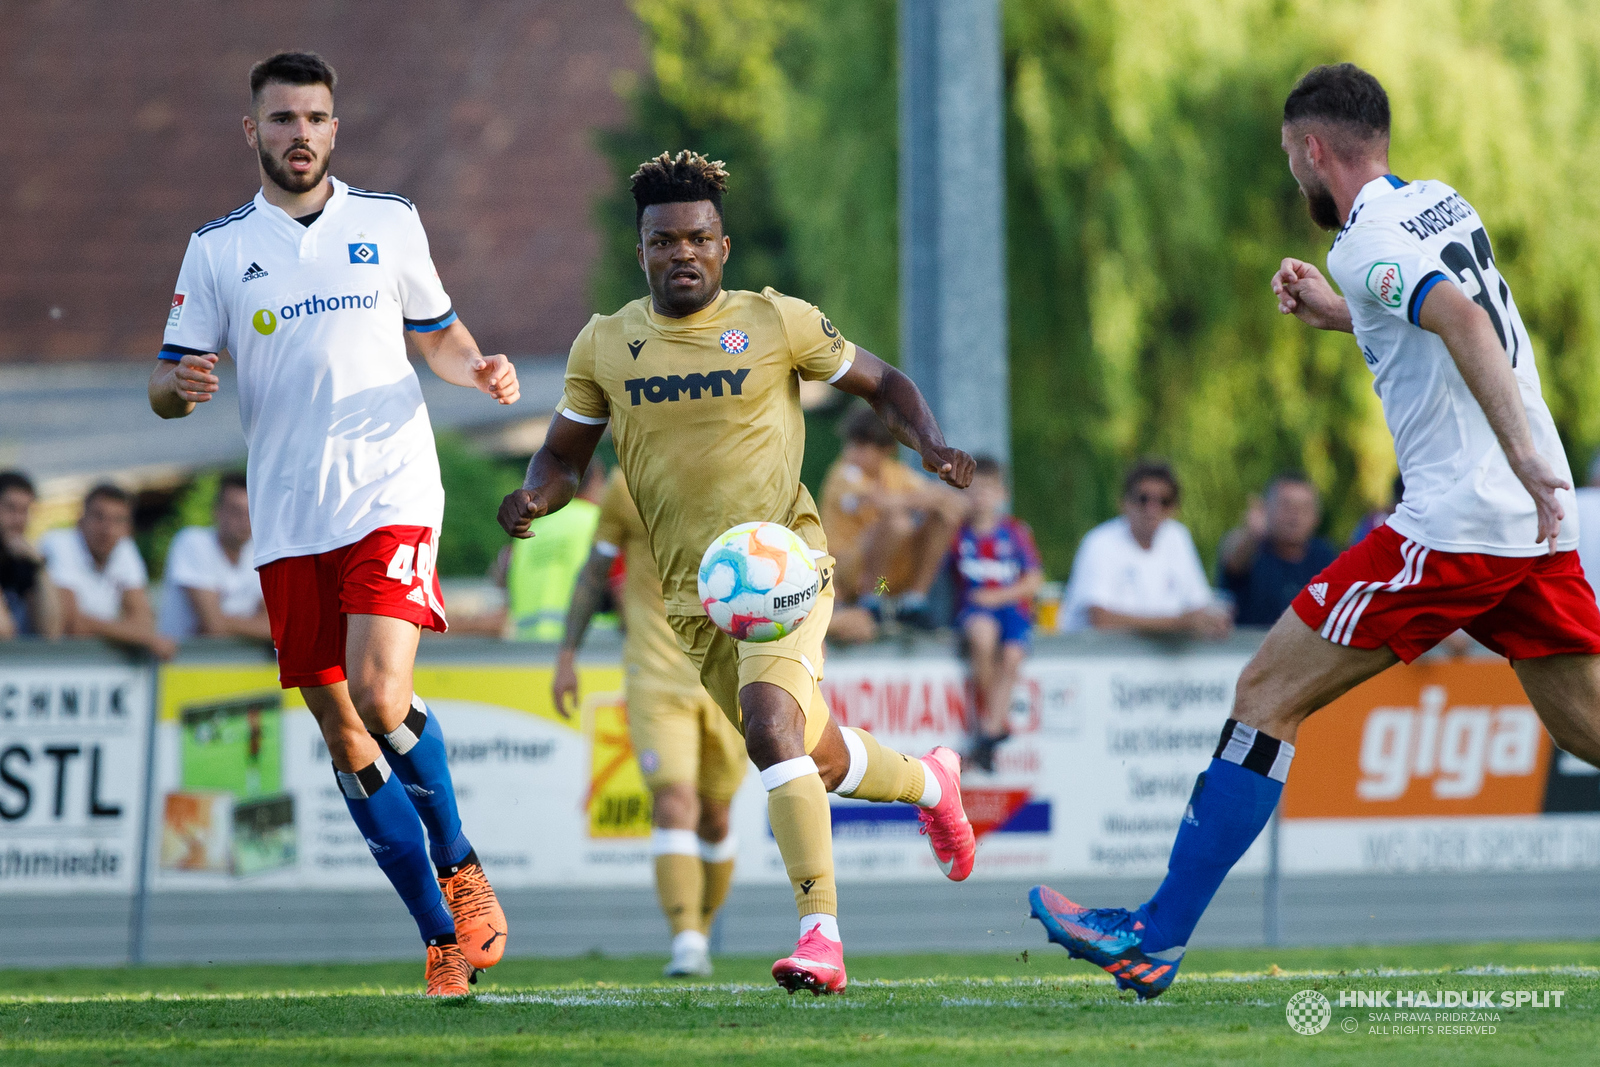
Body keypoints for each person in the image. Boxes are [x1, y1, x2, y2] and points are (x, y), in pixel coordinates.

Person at [1030, 63, 1600, 1000]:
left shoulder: (1363, 236)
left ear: (1312, 149)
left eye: (1290, 160)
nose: (1293, 176)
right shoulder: (1438, 204)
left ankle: (1154, 935)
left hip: (1460, 520)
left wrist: (1525, 457)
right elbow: (1437, 311)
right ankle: (1155, 931)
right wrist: (1342, 315)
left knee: (1264, 694)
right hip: (1535, 523)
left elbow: (1455, 317)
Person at [498, 150, 978, 995]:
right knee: (812, 753)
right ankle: (930, 780)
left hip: (785, 565)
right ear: (640, 249)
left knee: (766, 727)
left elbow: (884, 382)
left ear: (723, 246)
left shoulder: (774, 321)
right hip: (693, 601)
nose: (681, 252)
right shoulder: (606, 344)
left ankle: (821, 935)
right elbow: (562, 455)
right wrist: (537, 498)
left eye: (697, 237)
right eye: (663, 241)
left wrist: (930, 443)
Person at [147, 52, 520, 996]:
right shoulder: (218, 248)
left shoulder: (388, 222)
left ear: (335, 129)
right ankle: (439, 934)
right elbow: (167, 378)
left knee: (379, 692)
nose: (300, 134)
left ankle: (462, 860)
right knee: (340, 723)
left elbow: (436, 331)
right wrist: (179, 387)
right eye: (281, 120)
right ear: (254, 133)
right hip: (287, 515)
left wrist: (476, 368)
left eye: (314, 118)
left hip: (389, 490)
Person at [553, 468, 747, 977]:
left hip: (729, 671)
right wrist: (567, 654)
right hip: (655, 671)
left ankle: (699, 931)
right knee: (673, 799)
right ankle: (686, 941)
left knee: (716, 816)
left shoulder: (745, 472)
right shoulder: (627, 486)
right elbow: (595, 573)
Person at [820, 406, 966, 639]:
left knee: (943, 518)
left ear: (885, 450)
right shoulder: (844, 474)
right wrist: (925, 499)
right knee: (898, 523)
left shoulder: (894, 473)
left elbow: (953, 502)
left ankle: (914, 601)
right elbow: (881, 502)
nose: (851, 453)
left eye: (861, 447)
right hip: (847, 574)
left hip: (886, 576)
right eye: (851, 445)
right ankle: (872, 600)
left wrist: (932, 499)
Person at [1059, 460, 1231, 638]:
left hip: (1160, 663)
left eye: (1164, 501)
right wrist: (1180, 623)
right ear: (1124, 502)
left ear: (1174, 508)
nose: (1153, 509)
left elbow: (1198, 605)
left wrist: (1212, 622)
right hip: (1098, 660)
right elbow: (1100, 619)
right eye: (1143, 499)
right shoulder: (1100, 543)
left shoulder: (1178, 537)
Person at [953, 457, 1044, 772]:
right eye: (974, 490)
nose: (981, 497)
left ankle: (987, 735)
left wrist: (999, 596)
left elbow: (1034, 579)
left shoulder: (1015, 532)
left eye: (989, 490)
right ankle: (994, 728)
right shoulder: (957, 534)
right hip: (975, 609)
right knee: (982, 636)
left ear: (1002, 495)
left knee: (1012, 656)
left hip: (1011, 607)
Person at [41, 485, 175, 659]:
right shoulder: (57, 543)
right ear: (80, 521)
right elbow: (70, 624)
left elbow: (143, 623)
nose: (108, 529)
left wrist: (137, 634)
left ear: (128, 529)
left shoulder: (125, 549)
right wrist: (144, 638)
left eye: (118, 520)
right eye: (99, 517)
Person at [158, 472, 271, 642]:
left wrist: (222, 622)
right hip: (183, 664)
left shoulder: (258, 550)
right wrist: (255, 625)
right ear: (217, 511)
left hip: (235, 664)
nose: (244, 520)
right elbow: (213, 625)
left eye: (250, 512)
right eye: (235, 511)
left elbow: (274, 626)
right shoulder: (192, 542)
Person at [1217, 473, 1338, 627]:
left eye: (1304, 508)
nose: (1295, 515)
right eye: (1286, 506)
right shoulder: (1252, 548)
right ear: (1266, 508)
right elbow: (1233, 560)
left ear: (1317, 516)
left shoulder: (1325, 555)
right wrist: (1252, 534)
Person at [506, 460, 608, 640]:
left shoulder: (529, 532)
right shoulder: (599, 522)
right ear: (596, 480)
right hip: (590, 649)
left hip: (526, 653)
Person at [0, 471, 62, 640]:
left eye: (25, 510)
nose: (19, 519)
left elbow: (51, 632)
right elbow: (3, 632)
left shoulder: (23, 560)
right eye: (10, 508)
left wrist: (39, 567)